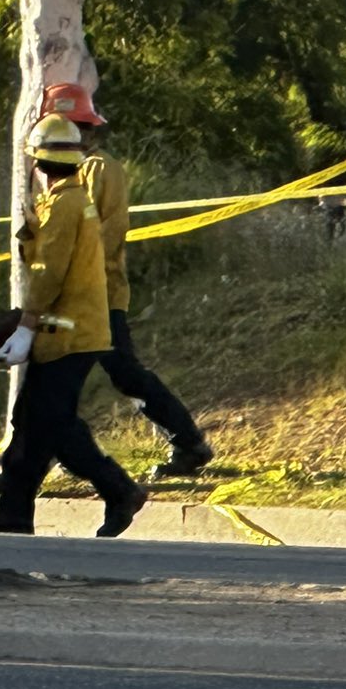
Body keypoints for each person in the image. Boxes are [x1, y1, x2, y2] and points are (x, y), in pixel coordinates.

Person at [0, 115, 148, 537]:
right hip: (70, 332)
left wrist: (26, 323)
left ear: (36, 164)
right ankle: (14, 510)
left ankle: (117, 488)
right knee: (32, 418)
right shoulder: (68, 200)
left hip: (70, 334)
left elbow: (48, 272)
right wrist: (30, 230)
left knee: (51, 421)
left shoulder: (65, 206)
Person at [44, 81, 214, 478]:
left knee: (97, 374)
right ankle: (56, 456)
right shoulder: (72, 171)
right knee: (75, 376)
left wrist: (72, 281)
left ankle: (187, 443)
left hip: (96, 293)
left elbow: (104, 234)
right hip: (80, 294)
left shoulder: (100, 170)